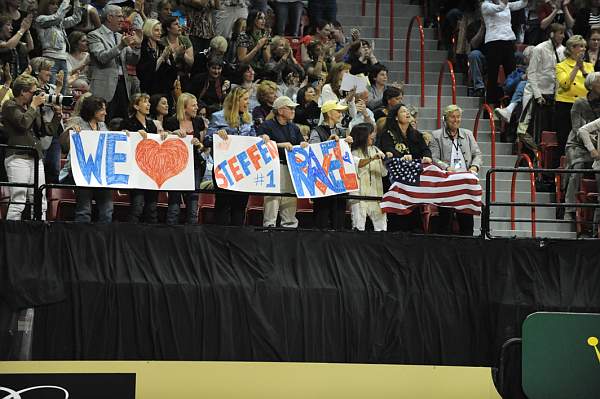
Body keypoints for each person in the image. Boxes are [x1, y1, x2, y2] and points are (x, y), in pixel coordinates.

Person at [206, 87, 265, 226]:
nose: (247, 103)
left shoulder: (248, 118)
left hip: (243, 169)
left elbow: (252, 140)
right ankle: (219, 241)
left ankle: (236, 240)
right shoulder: (218, 116)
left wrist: (260, 138)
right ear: (235, 100)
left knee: (240, 206)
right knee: (223, 205)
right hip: (224, 168)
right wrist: (217, 135)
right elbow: (207, 140)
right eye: (245, 99)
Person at [429, 104, 483, 236]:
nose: (456, 120)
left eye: (458, 117)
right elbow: (434, 158)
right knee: (445, 222)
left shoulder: (468, 134)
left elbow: (477, 154)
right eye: (452, 117)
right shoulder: (436, 136)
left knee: (466, 222)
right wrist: (446, 167)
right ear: (445, 119)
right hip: (447, 183)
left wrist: (474, 166)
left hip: (465, 183)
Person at [1, 74, 49, 220]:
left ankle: (39, 235)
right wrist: (34, 106)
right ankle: (11, 237)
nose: (35, 95)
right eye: (33, 92)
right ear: (23, 92)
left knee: (40, 201)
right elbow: (23, 124)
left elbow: (43, 131)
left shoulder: (30, 108)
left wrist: (57, 116)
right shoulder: (9, 106)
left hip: (36, 157)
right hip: (18, 157)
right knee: (18, 201)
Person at [378, 104, 432, 232]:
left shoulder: (416, 134)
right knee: (397, 218)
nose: (407, 113)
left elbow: (426, 150)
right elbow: (388, 150)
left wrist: (427, 157)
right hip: (395, 179)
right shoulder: (387, 134)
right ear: (396, 117)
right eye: (403, 112)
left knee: (413, 216)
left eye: (408, 112)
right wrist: (402, 157)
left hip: (412, 180)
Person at [257, 96, 308, 228]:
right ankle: (269, 226)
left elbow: (299, 143)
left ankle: (290, 227)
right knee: (273, 198)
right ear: (280, 111)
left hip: (292, 168)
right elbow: (260, 145)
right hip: (274, 167)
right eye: (290, 108)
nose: (293, 110)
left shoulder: (294, 128)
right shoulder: (267, 126)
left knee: (290, 198)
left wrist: (303, 144)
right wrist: (279, 145)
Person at [64, 95, 114, 223]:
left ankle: (103, 239)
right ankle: (82, 240)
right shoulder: (77, 121)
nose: (105, 113)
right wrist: (70, 131)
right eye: (102, 109)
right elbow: (63, 144)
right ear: (93, 110)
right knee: (84, 210)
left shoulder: (102, 125)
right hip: (82, 173)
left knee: (107, 209)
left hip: (100, 174)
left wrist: (124, 135)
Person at [87, 4, 141, 120]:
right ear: (110, 17)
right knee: (103, 121)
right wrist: (121, 45)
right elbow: (102, 57)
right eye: (120, 17)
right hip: (105, 87)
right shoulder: (94, 35)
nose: (123, 20)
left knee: (122, 122)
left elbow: (132, 60)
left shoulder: (120, 36)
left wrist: (136, 46)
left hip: (123, 85)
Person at [519, 23, 565, 150]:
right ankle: (532, 154)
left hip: (553, 95)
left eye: (563, 33)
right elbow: (532, 73)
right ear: (552, 34)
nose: (562, 36)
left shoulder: (563, 51)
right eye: (560, 33)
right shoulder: (539, 49)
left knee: (549, 129)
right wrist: (538, 95)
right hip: (537, 94)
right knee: (530, 128)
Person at [309, 100, 354, 230]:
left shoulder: (342, 131)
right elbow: (314, 153)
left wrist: (348, 145)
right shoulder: (316, 131)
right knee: (322, 217)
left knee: (339, 217)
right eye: (338, 111)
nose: (341, 114)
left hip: (340, 180)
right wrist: (328, 143)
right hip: (323, 181)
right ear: (329, 113)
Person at [163, 92, 205, 224]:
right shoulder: (171, 122)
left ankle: (191, 233)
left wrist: (199, 144)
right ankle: (171, 233)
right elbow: (164, 143)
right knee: (174, 201)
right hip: (176, 166)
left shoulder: (199, 121)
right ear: (184, 107)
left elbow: (203, 147)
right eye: (193, 105)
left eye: (196, 105)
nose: (196, 108)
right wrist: (172, 134)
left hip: (195, 165)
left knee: (193, 200)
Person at [123, 93, 165, 223]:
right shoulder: (128, 122)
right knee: (137, 206)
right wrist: (132, 134)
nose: (149, 104)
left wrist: (164, 136)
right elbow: (122, 139)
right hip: (136, 171)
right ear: (136, 106)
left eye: (149, 102)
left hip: (150, 171)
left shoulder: (152, 125)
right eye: (145, 102)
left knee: (152, 208)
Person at [564, 72, 600, 221]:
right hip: (577, 144)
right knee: (579, 166)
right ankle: (569, 208)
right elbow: (577, 130)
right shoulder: (580, 103)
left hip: (597, 145)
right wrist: (592, 146)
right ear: (590, 86)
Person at [481, 0, 528, 105]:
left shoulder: (506, 5)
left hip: (508, 42)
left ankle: (510, 105)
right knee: (493, 75)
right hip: (493, 42)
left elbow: (520, 4)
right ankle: (490, 105)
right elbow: (499, 8)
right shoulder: (486, 5)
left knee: (511, 74)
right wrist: (504, 2)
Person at [555, 34, 594, 161]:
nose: (583, 49)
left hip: (584, 106)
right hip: (565, 105)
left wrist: (582, 69)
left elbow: (592, 85)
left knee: (583, 137)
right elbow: (565, 85)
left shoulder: (589, 66)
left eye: (584, 47)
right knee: (564, 137)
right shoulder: (561, 66)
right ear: (572, 48)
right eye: (580, 46)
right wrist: (576, 66)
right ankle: (562, 165)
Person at [34, 0, 82, 94]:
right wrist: (66, 1)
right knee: (51, 91)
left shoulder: (59, 22)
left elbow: (76, 18)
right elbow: (57, 17)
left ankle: (59, 109)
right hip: (50, 60)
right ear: (45, 6)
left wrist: (76, 1)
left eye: (57, 4)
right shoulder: (40, 19)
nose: (56, 7)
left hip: (63, 60)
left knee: (62, 93)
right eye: (52, 4)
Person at [348, 123, 387, 231]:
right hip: (358, 196)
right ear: (363, 135)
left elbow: (384, 173)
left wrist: (385, 161)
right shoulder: (352, 152)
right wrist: (372, 158)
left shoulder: (376, 150)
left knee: (381, 227)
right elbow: (358, 164)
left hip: (376, 194)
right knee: (358, 226)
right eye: (371, 133)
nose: (373, 135)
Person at [137, 18, 177, 96]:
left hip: (164, 89)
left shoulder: (163, 47)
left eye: (160, 30)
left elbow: (173, 70)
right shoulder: (143, 48)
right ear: (148, 30)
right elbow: (145, 71)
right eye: (156, 30)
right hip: (149, 89)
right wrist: (161, 58)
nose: (160, 33)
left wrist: (167, 60)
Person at [235, 9, 271, 76]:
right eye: (260, 18)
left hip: (260, 68)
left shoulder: (266, 34)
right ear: (253, 20)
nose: (263, 21)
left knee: (271, 67)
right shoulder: (243, 35)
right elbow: (242, 60)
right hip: (246, 69)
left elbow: (267, 60)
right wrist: (257, 47)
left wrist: (264, 45)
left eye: (264, 18)